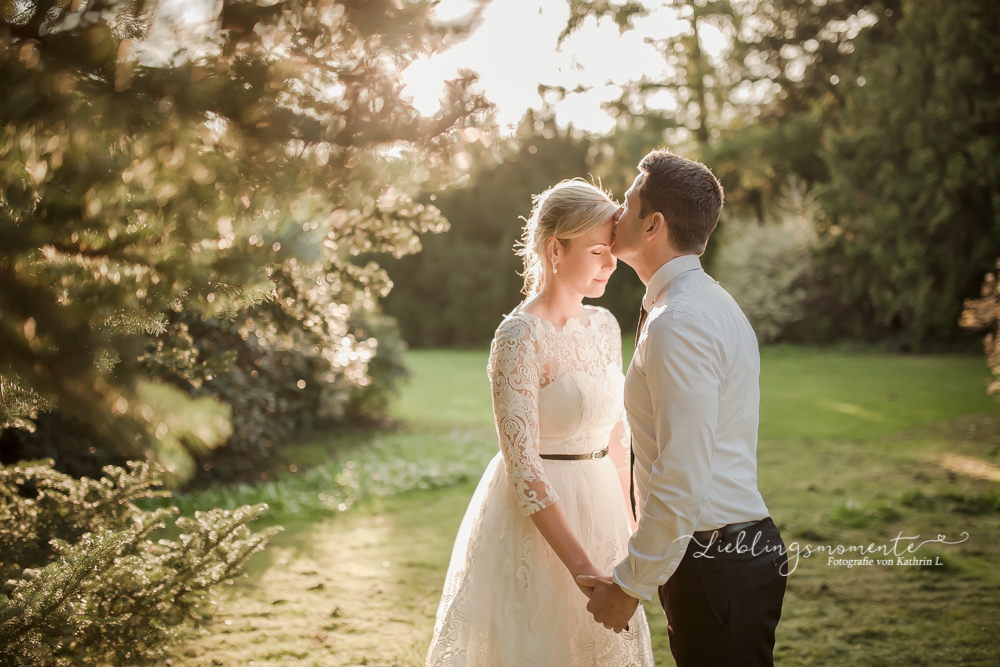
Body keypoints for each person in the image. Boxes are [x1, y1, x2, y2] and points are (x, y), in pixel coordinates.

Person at [425, 179, 654, 666]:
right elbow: (523, 465)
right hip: (539, 520)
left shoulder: (606, 326)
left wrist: (633, 527)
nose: (611, 264)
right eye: (597, 251)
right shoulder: (519, 336)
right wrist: (583, 571)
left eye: (610, 251)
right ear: (555, 249)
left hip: (605, 507)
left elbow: (616, 437)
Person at [577, 150, 789, 667]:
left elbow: (683, 468)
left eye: (625, 203)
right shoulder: (701, 303)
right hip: (717, 553)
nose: (614, 215)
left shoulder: (680, 321)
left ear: (653, 224)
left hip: (714, 559)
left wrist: (629, 584)